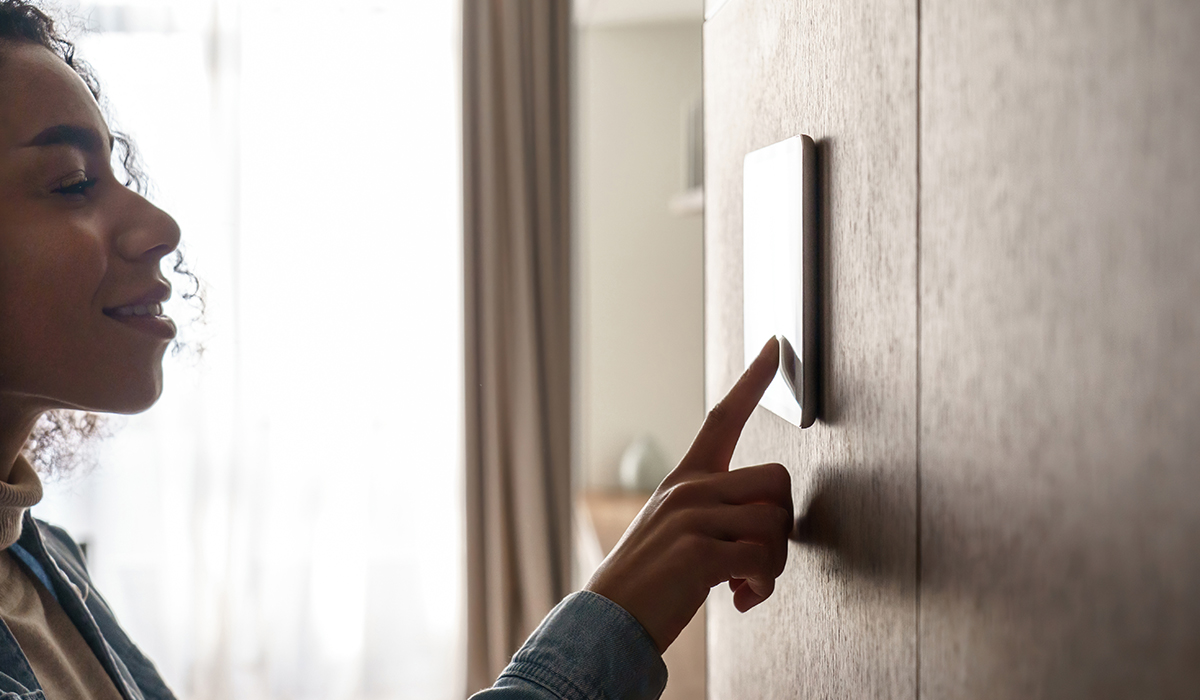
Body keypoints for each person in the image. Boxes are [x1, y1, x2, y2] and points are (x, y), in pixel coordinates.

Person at [0, 2, 794, 698]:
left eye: (118, 169)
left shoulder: (44, 564)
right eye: (72, 182)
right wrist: (617, 618)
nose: (159, 226)